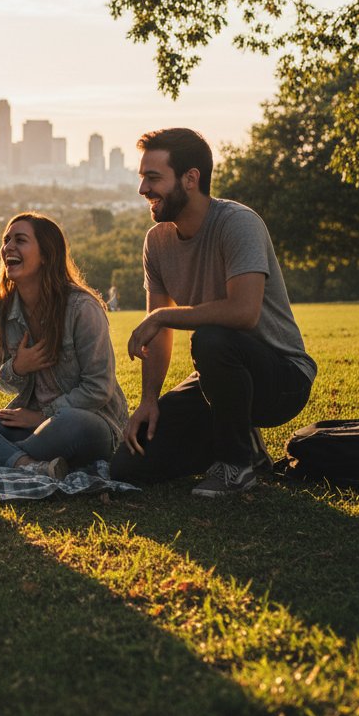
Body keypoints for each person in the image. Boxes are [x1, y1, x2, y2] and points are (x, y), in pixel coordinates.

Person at [110, 128, 317, 496]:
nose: (143, 189)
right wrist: (148, 401)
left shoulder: (237, 223)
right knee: (129, 464)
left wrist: (162, 317)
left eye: (153, 178)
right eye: (142, 178)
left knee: (212, 338)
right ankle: (242, 445)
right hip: (220, 379)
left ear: (191, 179)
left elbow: (243, 313)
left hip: (282, 377)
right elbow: (159, 337)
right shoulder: (156, 242)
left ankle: (236, 466)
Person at [0, 213, 128, 478]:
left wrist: (43, 416)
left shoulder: (82, 309)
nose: (8, 247)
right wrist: (18, 366)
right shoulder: (0, 311)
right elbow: (1, 380)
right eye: (6, 240)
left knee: (69, 423)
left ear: (47, 255)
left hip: (89, 421)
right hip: (30, 423)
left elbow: (98, 388)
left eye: (20, 240)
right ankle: (24, 462)